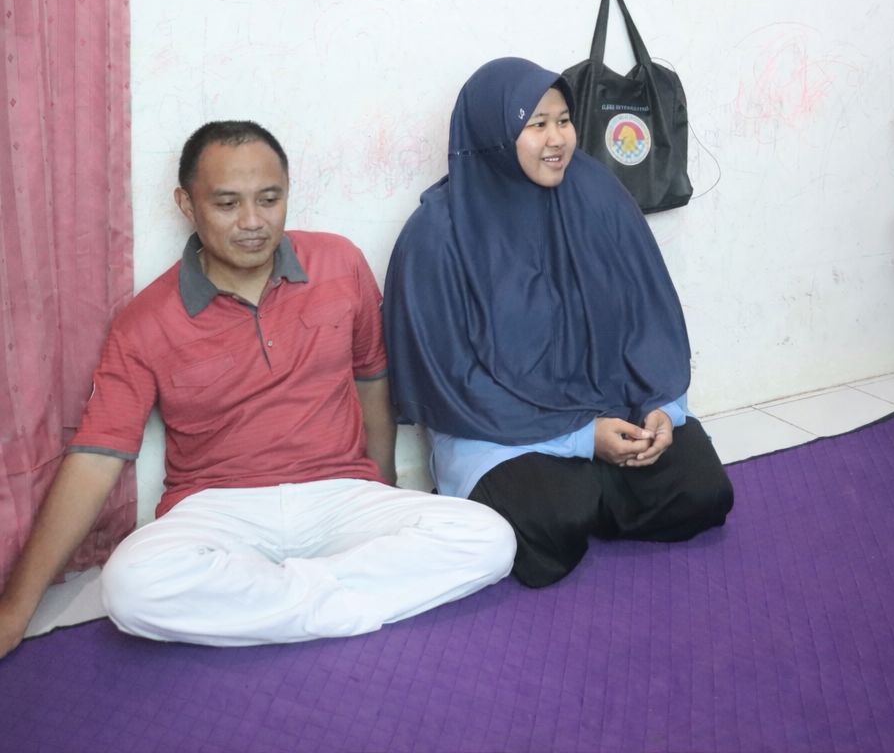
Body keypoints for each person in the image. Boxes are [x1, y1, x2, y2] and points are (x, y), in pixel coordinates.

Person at [0, 122, 515, 657]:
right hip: (218, 509)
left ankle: (272, 600)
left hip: (338, 494)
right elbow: (95, 458)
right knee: (129, 587)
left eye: (269, 199)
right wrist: (15, 610)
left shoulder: (340, 263)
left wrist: (381, 487)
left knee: (491, 537)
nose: (252, 222)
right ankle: (342, 600)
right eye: (227, 204)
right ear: (186, 204)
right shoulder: (144, 320)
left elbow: (371, 379)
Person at [384, 58, 733, 589]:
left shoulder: (596, 195)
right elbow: (452, 379)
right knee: (548, 524)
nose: (557, 139)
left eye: (564, 121)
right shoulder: (438, 233)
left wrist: (661, 406)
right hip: (501, 431)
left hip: (608, 405)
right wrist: (581, 440)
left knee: (703, 491)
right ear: (491, 134)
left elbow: (646, 316)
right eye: (537, 124)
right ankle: (591, 493)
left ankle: (595, 490)